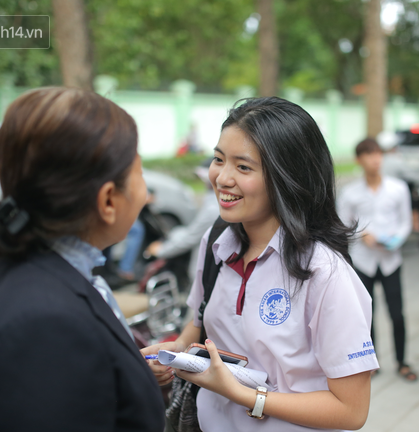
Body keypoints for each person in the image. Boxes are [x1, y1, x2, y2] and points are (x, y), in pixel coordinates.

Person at [142, 97, 378, 431]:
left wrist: (246, 396)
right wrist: (172, 355)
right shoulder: (216, 241)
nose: (222, 178)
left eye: (243, 167)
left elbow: (351, 411)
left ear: (287, 177)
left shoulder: (325, 273)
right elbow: (197, 328)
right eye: (218, 159)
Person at [0, 87, 166, 431]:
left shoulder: (15, 268)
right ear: (108, 200)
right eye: (139, 172)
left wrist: (127, 369)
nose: (145, 191)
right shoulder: (46, 327)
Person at [337, 137, 417, 382]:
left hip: (391, 259)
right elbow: (341, 225)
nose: (375, 160)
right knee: (365, 314)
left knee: (397, 313)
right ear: (359, 160)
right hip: (363, 260)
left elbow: (405, 222)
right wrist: (363, 235)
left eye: (378, 154)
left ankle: (402, 362)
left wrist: (395, 239)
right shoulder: (350, 192)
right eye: (369, 155)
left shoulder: (398, 188)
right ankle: (370, 363)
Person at [145, 158, 220, 277]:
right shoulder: (213, 199)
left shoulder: (214, 207)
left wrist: (161, 250)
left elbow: (191, 237)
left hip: (205, 273)